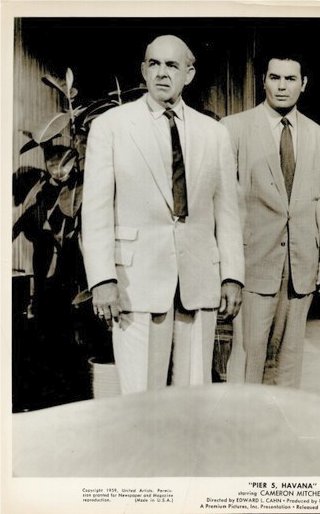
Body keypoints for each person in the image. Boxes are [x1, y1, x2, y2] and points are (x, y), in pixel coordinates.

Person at [82, 35, 244, 394]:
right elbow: (95, 210)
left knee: (194, 394)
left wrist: (232, 275)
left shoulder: (214, 133)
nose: (161, 73)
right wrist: (103, 279)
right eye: (154, 64)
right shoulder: (112, 126)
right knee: (141, 394)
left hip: (197, 279)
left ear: (189, 73)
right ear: (143, 70)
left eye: (172, 65)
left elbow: (228, 213)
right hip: (135, 282)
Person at [221, 51, 320, 387]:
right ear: (263, 81)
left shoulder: (318, 134)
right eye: (275, 78)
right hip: (253, 262)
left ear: (304, 84)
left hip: (301, 263)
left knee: (290, 361)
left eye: (290, 79)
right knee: (249, 356)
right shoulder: (234, 128)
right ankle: (243, 419)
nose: (282, 86)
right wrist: (228, 267)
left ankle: (283, 419)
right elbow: (223, 202)